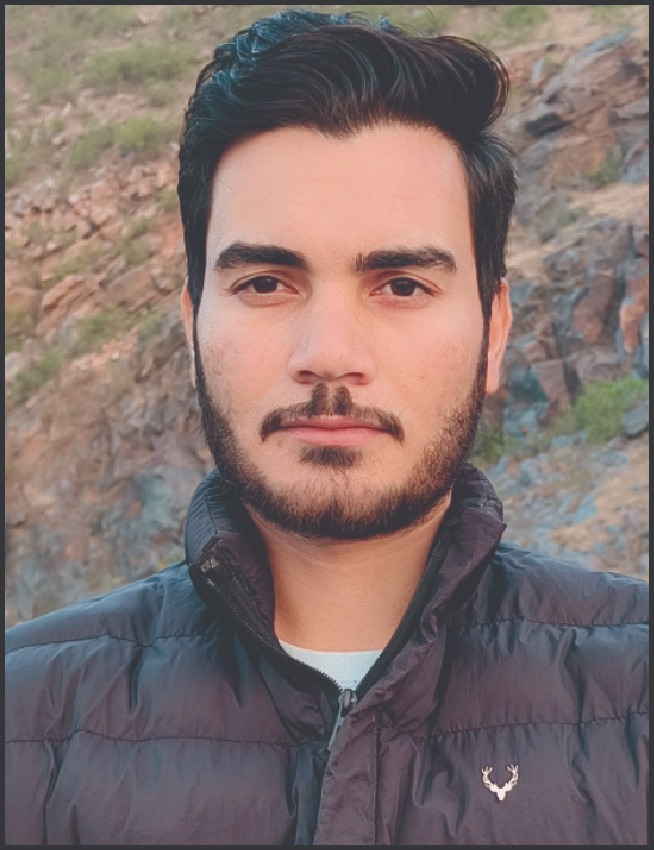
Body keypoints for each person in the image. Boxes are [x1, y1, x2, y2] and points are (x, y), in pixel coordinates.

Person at [5, 9, 648, 846]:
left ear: (494, 333)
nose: (329, 355)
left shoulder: (635, 699)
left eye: (402, 285)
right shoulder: (25, 725)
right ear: (192, 329)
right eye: (266, 284)